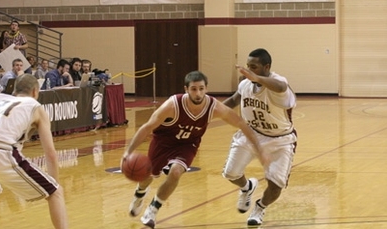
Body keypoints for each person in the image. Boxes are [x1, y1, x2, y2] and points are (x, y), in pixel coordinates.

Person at [123, 70, 265, 229]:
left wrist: (259, 147)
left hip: (187, 145)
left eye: (201, 88)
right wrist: (128, 152)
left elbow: (240, 123)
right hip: (163, 142)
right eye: (194, 89)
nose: (198, 93)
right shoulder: (172, 105)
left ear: (206, 88)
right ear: (186, 89)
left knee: (175, 172)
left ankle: (153, 210)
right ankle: (139, 194)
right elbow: (147, 127)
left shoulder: (214, 107)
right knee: (148, 176)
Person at [222, 48, 297, 227]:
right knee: (230, 173)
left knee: (276, 186)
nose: (249, 70)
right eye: (247, 66)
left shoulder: (279, 83)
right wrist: (209, 112)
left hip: (280, 139)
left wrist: (256, 78)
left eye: (253, 67)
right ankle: (247, 187)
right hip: (251, 134)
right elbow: (233, 100)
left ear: (266, 67)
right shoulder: (245, 84)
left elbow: (281, 87)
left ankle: (260, 207)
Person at [0, 74, 68, 229]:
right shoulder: (34, 106)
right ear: (35, 92)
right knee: (56, 192)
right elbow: (50, 153)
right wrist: (54, 184)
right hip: (1, 150)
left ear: (15, 90)